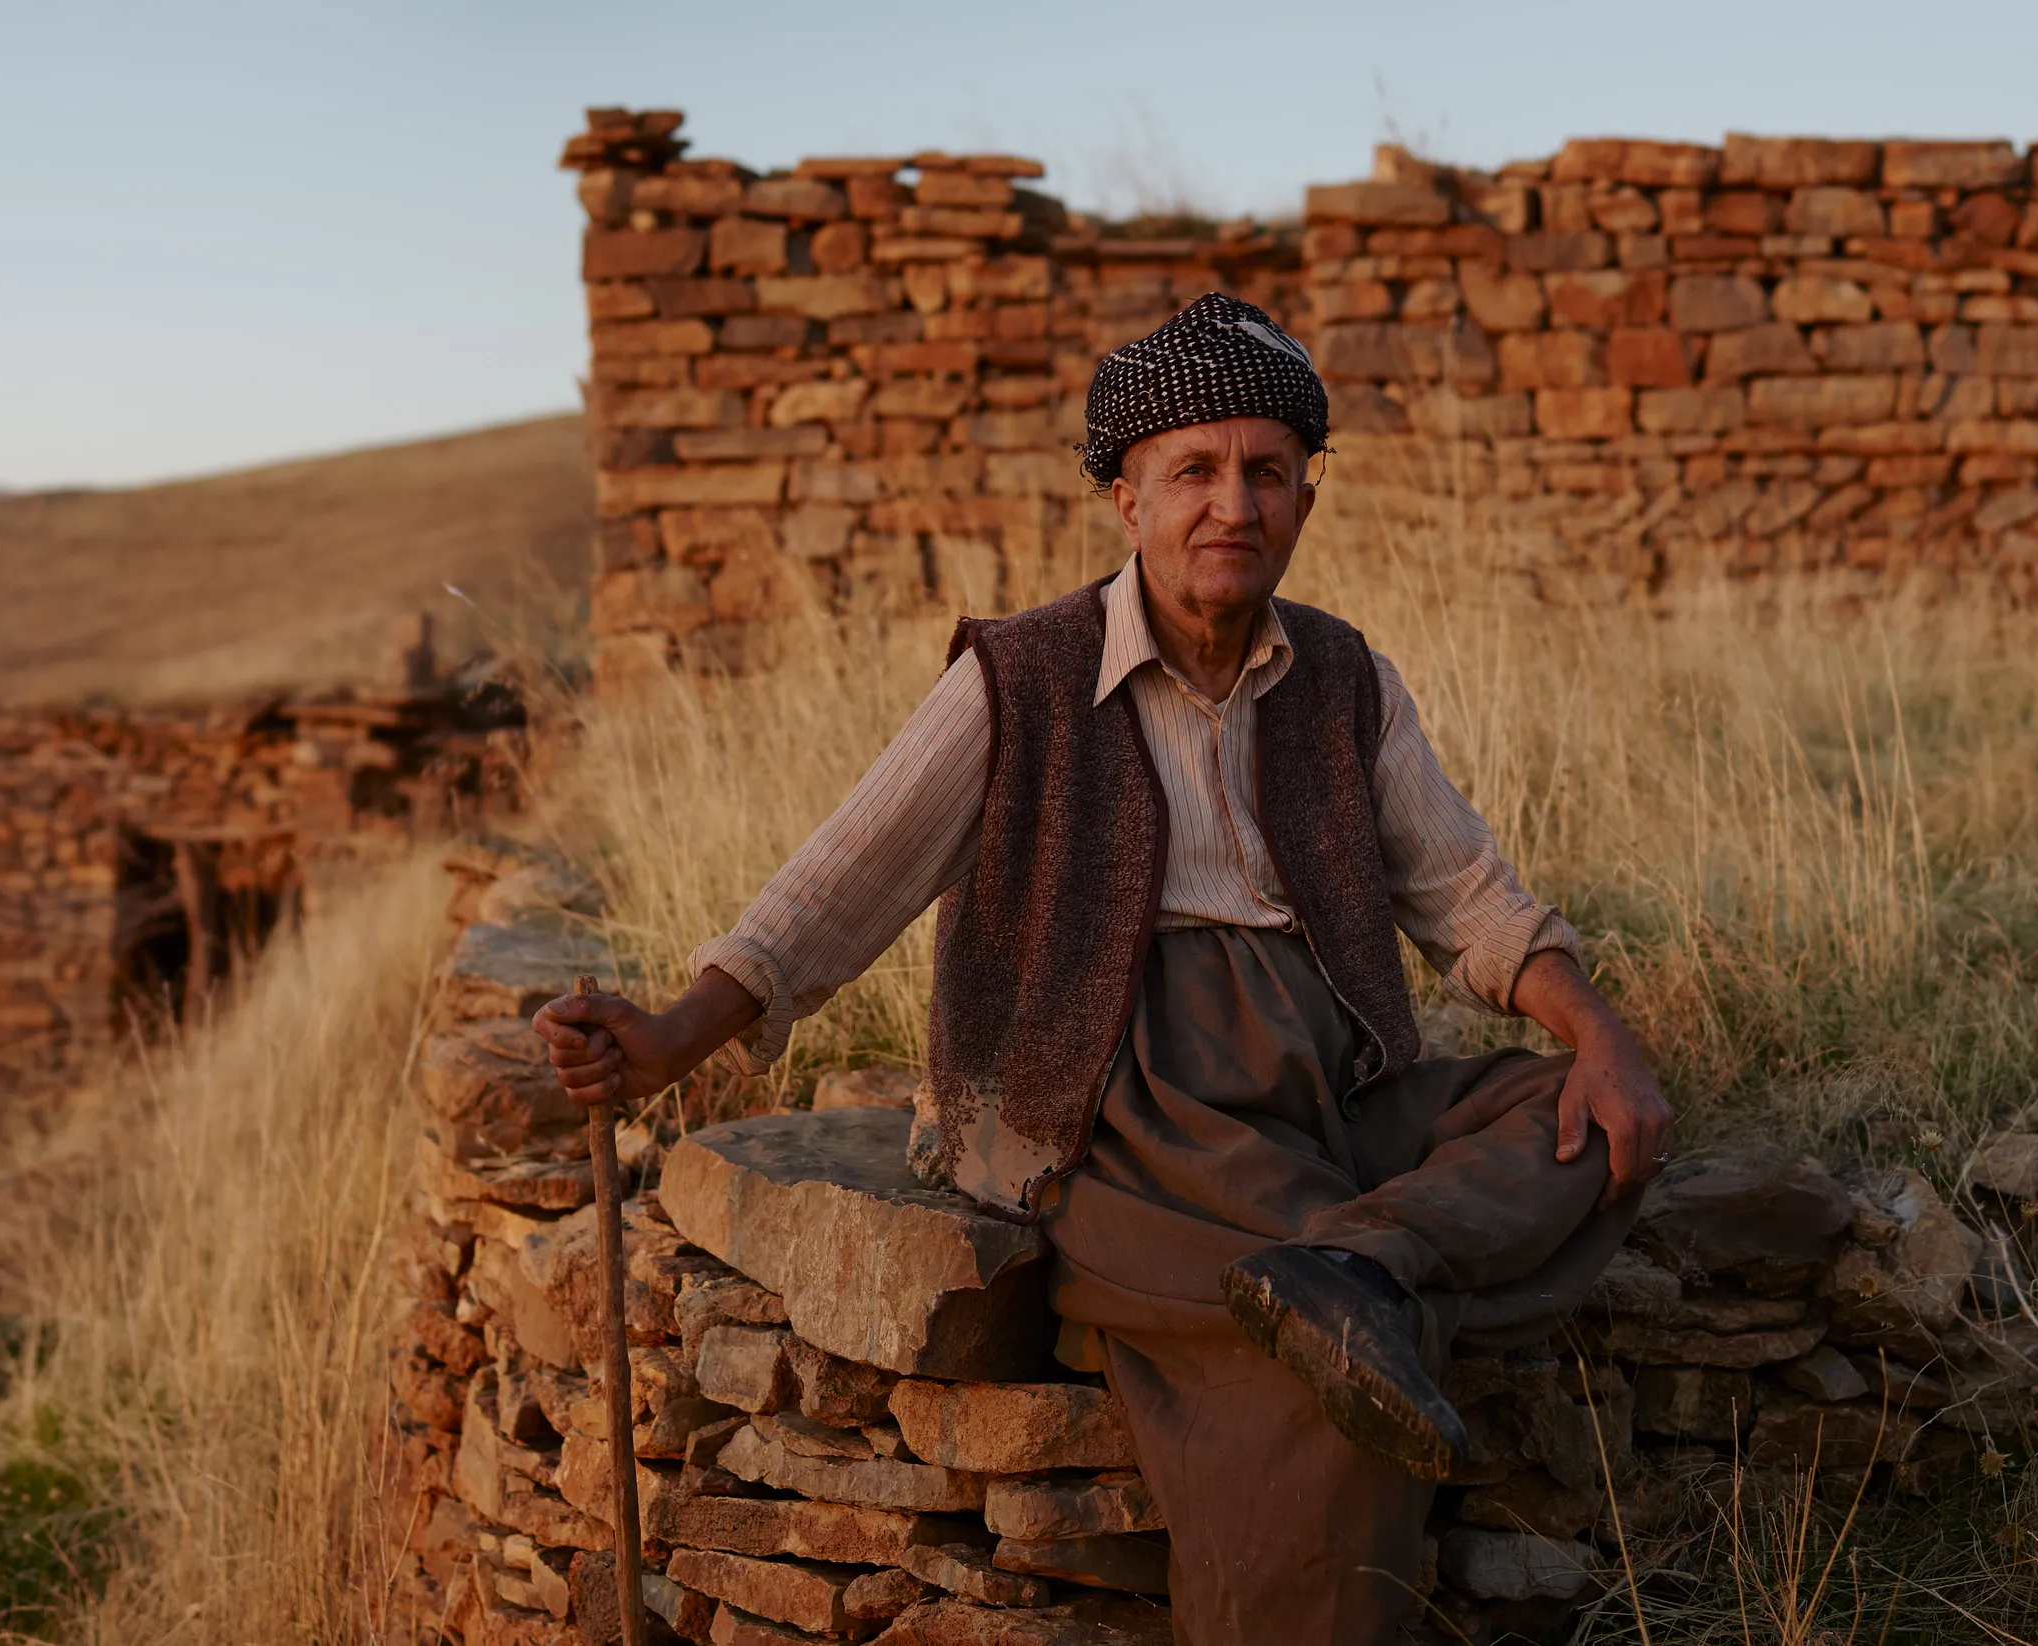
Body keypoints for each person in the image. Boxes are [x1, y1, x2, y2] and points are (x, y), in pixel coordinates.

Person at [536, 292, 1672, 1644]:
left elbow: (1465, 893)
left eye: (1264, 471)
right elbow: (842, 881)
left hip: (1330, 1077)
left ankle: (1358, 1262)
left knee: (1578, 1113)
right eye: (1193, 470)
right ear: (1126, 498)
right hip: (1127, 1105)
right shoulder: (1020, 678)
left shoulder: (1347, 678)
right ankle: (1345, 1284)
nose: (1230, 505)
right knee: (1306, 1405)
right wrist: (674, 1030)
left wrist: (1598, 1030)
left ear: (1306, 495)